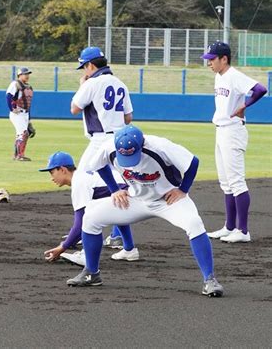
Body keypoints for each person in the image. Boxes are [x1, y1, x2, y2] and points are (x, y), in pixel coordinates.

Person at [66, 125, 224, 298]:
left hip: (168, 201)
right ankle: (91, 273)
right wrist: (114, 189)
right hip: (136, 200)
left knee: (194, 223)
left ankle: (210, 280)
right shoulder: (109, 146)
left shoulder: (160, 146)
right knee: (91, 217)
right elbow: (97, 165)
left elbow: (193, 162)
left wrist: (183, 189)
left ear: (142, 145)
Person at [201, 41, 267, 243]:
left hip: (233, 131)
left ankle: (243, 231)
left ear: (224, 59)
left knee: (236, 182)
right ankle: (229, 227)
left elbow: (261, 89)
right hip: (221, 131)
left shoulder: (234, 76)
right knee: (226, 183)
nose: (209, 63)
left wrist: (245, 105)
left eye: (212, 59)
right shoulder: (220, 77)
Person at [40, 151, 135, 267]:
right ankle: (129, 250)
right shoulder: (83, 175)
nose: (52, 178)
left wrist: (62, 247)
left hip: (134, 197)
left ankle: (85, 255)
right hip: (133, 193)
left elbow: (80, 224)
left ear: (63, 169)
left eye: (52, 172)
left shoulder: (79, 182)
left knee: (91, 219)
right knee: (114, 207)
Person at [71, 46, 133, 172]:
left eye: (84, 67)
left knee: (83, 176)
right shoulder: (120, 83)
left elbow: (74, 109)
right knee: (120, 179)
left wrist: (82, 86)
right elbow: (128, 118)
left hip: (100, 140)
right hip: (121, 139)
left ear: (91, 65)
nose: (84, 71)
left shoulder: (92, 83)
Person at [6, 67, 34, 161]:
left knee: (23, 134)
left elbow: (28, 104)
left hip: (25, 114)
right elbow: (8, 96)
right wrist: (12, 109)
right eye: (25, 74)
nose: (27, 76)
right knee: (23, 133)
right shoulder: (15, 84)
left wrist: (29, 120)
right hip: (17, 113)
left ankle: (17, 155)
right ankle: (19, 155)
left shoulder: (28, 87)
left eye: (28, 74)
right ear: (19, 75)